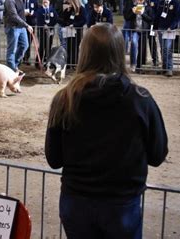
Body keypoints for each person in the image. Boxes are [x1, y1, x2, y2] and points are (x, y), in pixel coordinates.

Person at [45, 23, 168, 239]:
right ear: (120, 53)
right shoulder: (140, 99)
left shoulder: (64, 99)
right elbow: (157, 154)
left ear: (84, 53)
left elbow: (54, 159)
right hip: (121, 203)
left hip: (76, 202)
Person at [3, 0, 34, 72]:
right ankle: (11, 68)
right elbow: (13, 15)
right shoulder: (9, 0)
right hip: (13, 27)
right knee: (12, 49)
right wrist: (27, 25)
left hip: (21, 27)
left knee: (25, 45)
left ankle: (14, 65)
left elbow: (18, 12)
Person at [155, 0, 180, 77]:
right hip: (160, 29)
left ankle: (169, 68)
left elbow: (178, 17)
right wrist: (155, 28)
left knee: (168, 48)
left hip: (170, 30)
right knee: (162, 49)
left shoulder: (176, 3)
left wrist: (172, 26)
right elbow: (157, 16)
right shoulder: (162, 2)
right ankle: (164, 67)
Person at [58, 0, 87, 66]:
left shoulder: (81, 9)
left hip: (77, 32)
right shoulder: (69, 9)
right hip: (68, 32)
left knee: (75, 47)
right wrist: (66, 11)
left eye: (70, 2)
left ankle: (74, 63)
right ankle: (68, 62)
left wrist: (74, 25)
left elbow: (84, 20)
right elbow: (64, 19)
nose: (69, 4)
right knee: (68, 47)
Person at [133, 0, 155, 72]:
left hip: (144, 31)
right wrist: (133, 13)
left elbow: (150, 19)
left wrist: (142, 14)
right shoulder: (133, 7)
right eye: (138, 0)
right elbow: (127, 17)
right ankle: (134, 64)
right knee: (134, 45)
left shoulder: (148, 8)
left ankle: (139, 66)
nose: (140, 2)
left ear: (144, 0)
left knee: (141, 49)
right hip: (135, 30)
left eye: (141, 0)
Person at [141, 0, 160, 67]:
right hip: (145, 25)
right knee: (143, 43)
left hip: (152, 24)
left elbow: (158, 11)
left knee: (152, 42)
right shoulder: (142, 0)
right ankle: (143, 60)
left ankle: (155, 60)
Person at [36, 0, 58, 64]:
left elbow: (55, 18)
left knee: (49, 45)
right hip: (42, 31)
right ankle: (38, 61)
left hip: (50, 30)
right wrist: (43, 25)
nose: (45, 3)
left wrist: (50, 26)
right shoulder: (39, 10)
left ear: (49, 2)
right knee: (42, 46)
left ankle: (47, 60)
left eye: (47, 1)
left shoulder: (52, 10)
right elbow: (38, 19)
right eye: (44, 2)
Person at [21, 0, 38, 65]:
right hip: (22, 24)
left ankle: (26, 58)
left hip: (31, 23)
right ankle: (21, 56)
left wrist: (33, 13)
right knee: (22, 42)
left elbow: (37, 11)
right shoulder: (20, 1)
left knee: (29, 41)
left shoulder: (34, 1)